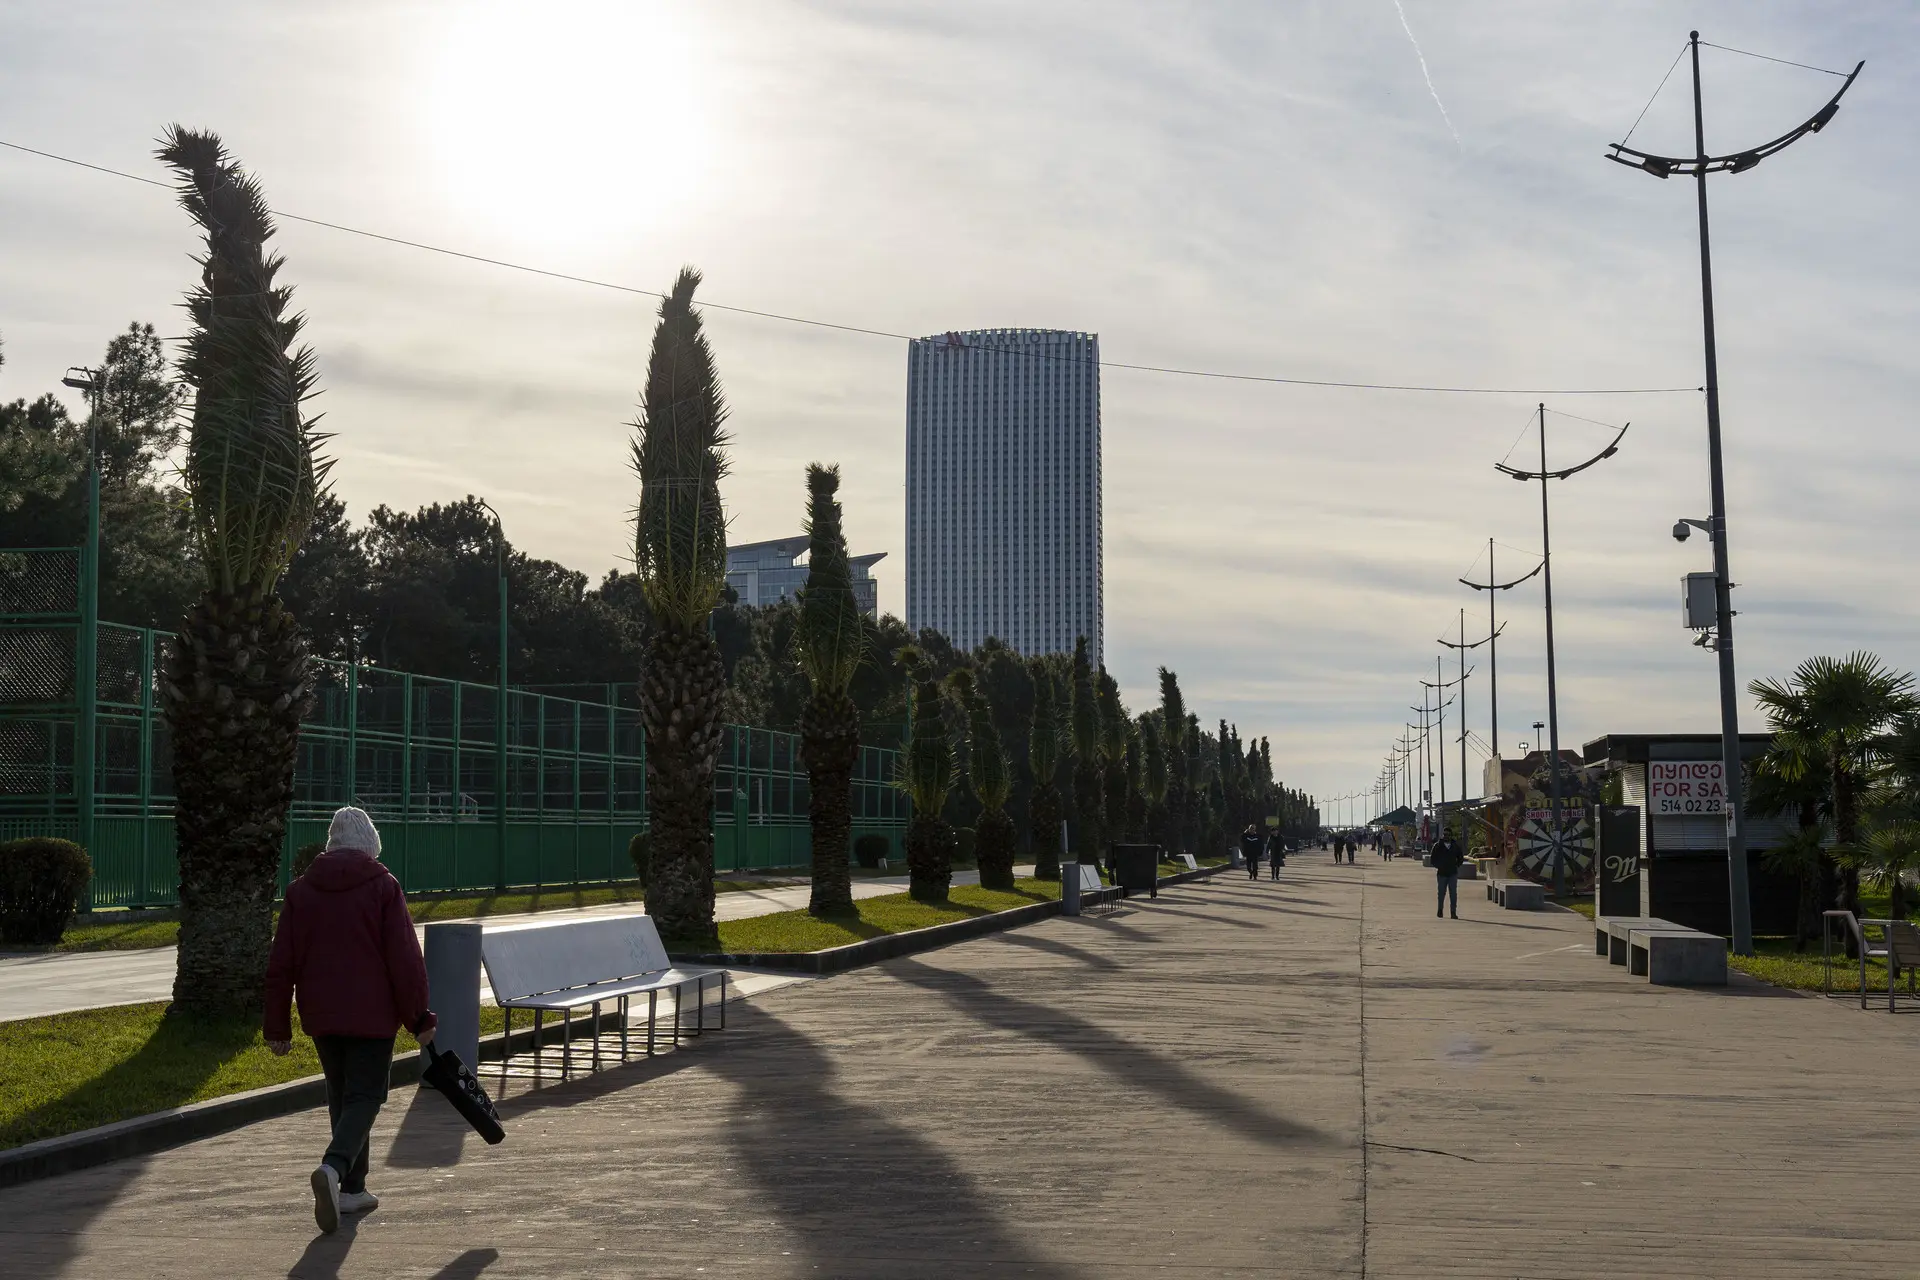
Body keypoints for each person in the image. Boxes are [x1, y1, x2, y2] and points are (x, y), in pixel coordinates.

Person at [265, 806, 437, 1235]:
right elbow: (405, 960)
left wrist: (277, 1026)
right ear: (371, 845)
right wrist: (418, 1017)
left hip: (321, 1013)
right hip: (372, 1013)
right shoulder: (383, 886)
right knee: (366, 1097)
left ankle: (352, 1190)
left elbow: (280, 964)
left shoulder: (300, 891)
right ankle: (334, 1167)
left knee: (342, 1096)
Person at [1429, 825, 1467, 919]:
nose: (1446, 836)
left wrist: (1456, 865)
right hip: (1441, 873)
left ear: (1451, 835)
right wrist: (1439, 866)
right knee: (1441, 893)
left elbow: (1460, 857)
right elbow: (1433, 859)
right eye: (1445, 834)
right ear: (1443, 835)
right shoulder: (1437, 846)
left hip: (1452, 873)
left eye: (1448, 834)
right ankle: (1440, 910)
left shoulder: (1455, 846)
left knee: (1453, 893)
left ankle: (1453, 912)